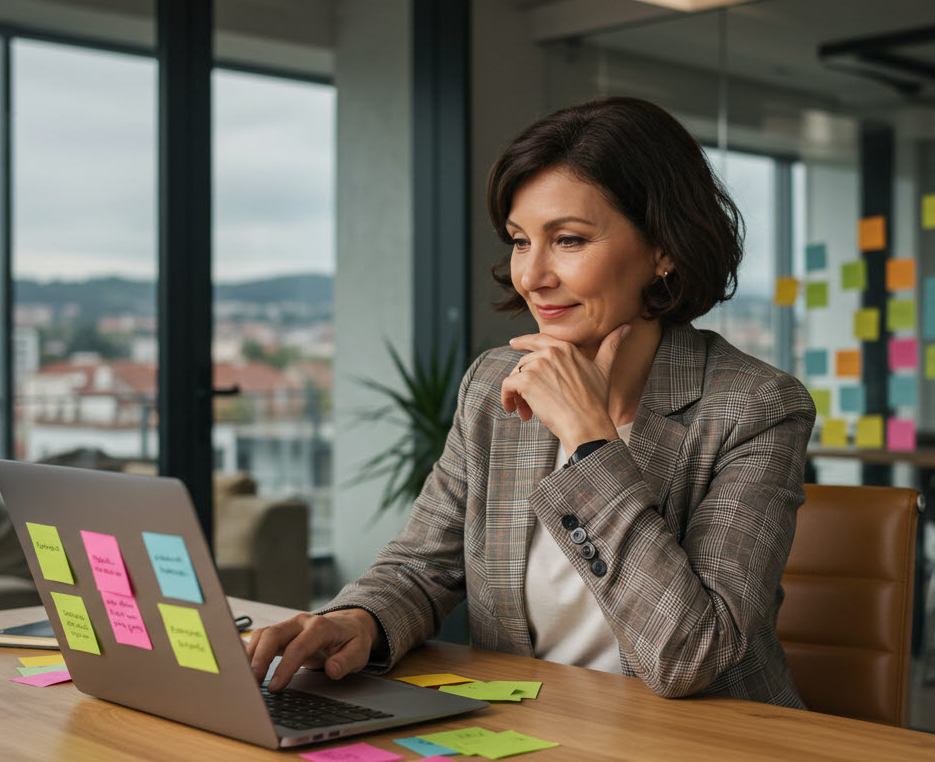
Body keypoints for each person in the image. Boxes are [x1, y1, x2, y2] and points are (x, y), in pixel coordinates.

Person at [247, 97, 814, 706]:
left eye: (568, 240)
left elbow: (690, 655)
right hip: (532, 731)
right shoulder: (495, 386)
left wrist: (589, 438)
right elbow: (421, 566)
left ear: (663, 250)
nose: (532, 276)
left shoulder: (755, 407)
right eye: (520, 241)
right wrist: (356, 622)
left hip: (699, 742)